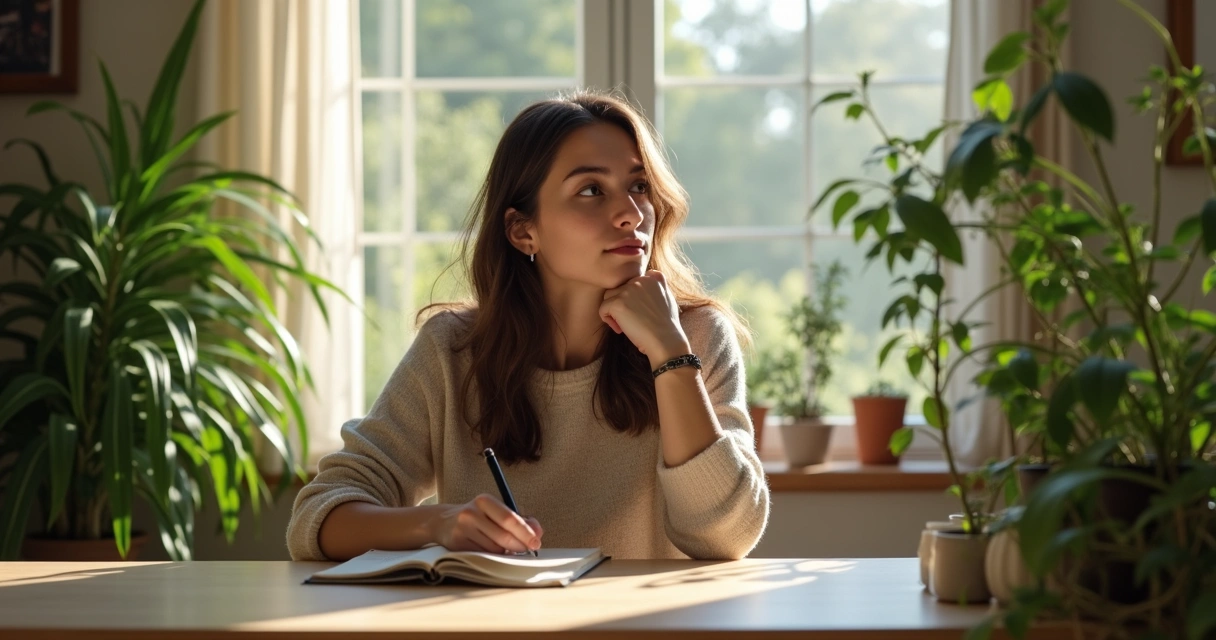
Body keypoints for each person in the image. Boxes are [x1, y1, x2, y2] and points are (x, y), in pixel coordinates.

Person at [286, 90, 770, 562]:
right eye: (590, 190)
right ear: (523, 231)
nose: (630, 213)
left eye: (638, 186)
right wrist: (437, 525)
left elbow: (725, 536)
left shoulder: (697, 336)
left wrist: (670, 354)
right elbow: (317, 518)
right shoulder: (453, 349)